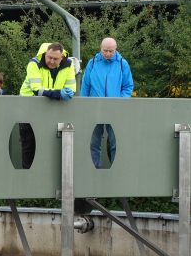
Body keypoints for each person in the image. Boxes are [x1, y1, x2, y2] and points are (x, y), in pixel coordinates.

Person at [18, 42, 76, 168]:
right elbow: (36, 90)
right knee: (29, 147)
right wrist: (59, 93)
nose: (51, 61)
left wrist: (67, 93)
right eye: (49, 57)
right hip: (28, 110)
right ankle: (28, 180)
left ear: (62, 58)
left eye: (55, 59)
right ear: (45, 53)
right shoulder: (34, 63)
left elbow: (71, 89)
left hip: (53, 111)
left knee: (50, 148)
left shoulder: (69, 65)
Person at [81, 37, 133, 168]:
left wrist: (121, 102)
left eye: (111, 51)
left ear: (116, 49)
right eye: (105, 51)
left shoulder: (122, 63)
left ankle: (116, 172)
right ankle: (94, 170)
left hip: (115, 109)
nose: (108, 54)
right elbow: (85, 86)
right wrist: (84, 104)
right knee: (93, 142)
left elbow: (128, 86)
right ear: (100, 49)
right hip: (93, 108)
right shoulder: (92, 63)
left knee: (116, 142)